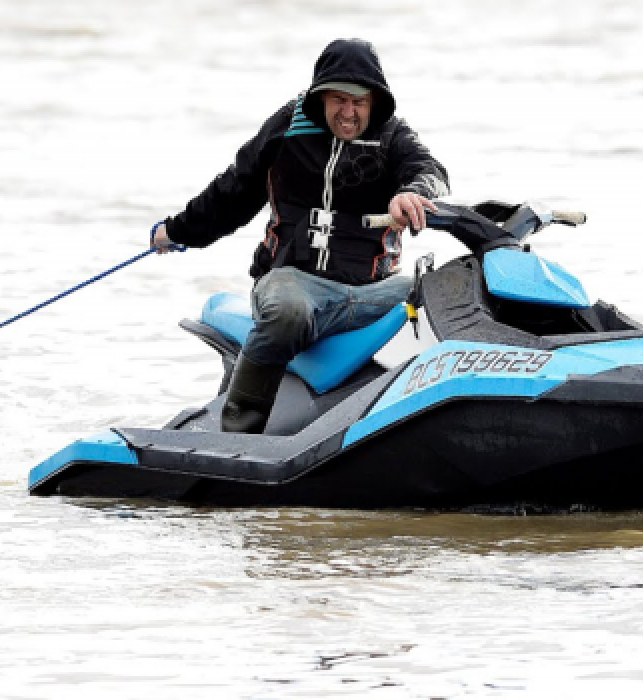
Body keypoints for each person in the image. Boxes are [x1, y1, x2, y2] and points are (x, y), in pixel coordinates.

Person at [151, 38, 450, 434]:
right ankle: (238, 429)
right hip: (293, 284)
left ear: (375, 101)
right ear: (321, 97)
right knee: (287, 309)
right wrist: (176, 230)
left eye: (359, 102)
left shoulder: (393, 135)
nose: (348, 112)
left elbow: (430, 171)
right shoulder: (289, 124)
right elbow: (234, 188)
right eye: (338, 100)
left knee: (447, 291)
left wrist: (414, 192)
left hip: (373, 292)